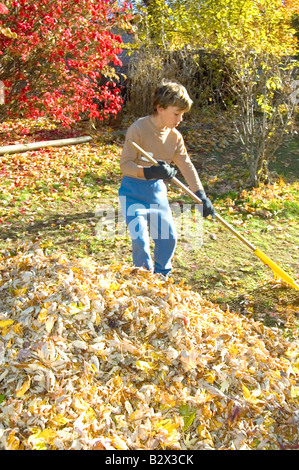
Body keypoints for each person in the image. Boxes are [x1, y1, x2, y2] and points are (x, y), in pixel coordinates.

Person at [119, 79, 215, 278]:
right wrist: (150, 172)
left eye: (182, 115)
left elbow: (186, 165)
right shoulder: (138, 129)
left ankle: (162, 276)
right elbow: (125, 165)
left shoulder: (175, 137)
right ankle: (144, 277)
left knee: (168, 238)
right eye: (176, 114)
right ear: (160, 108)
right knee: (140, 240)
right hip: (132, 192)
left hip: (156, 193)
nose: (180, 119)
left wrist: (201, 195)